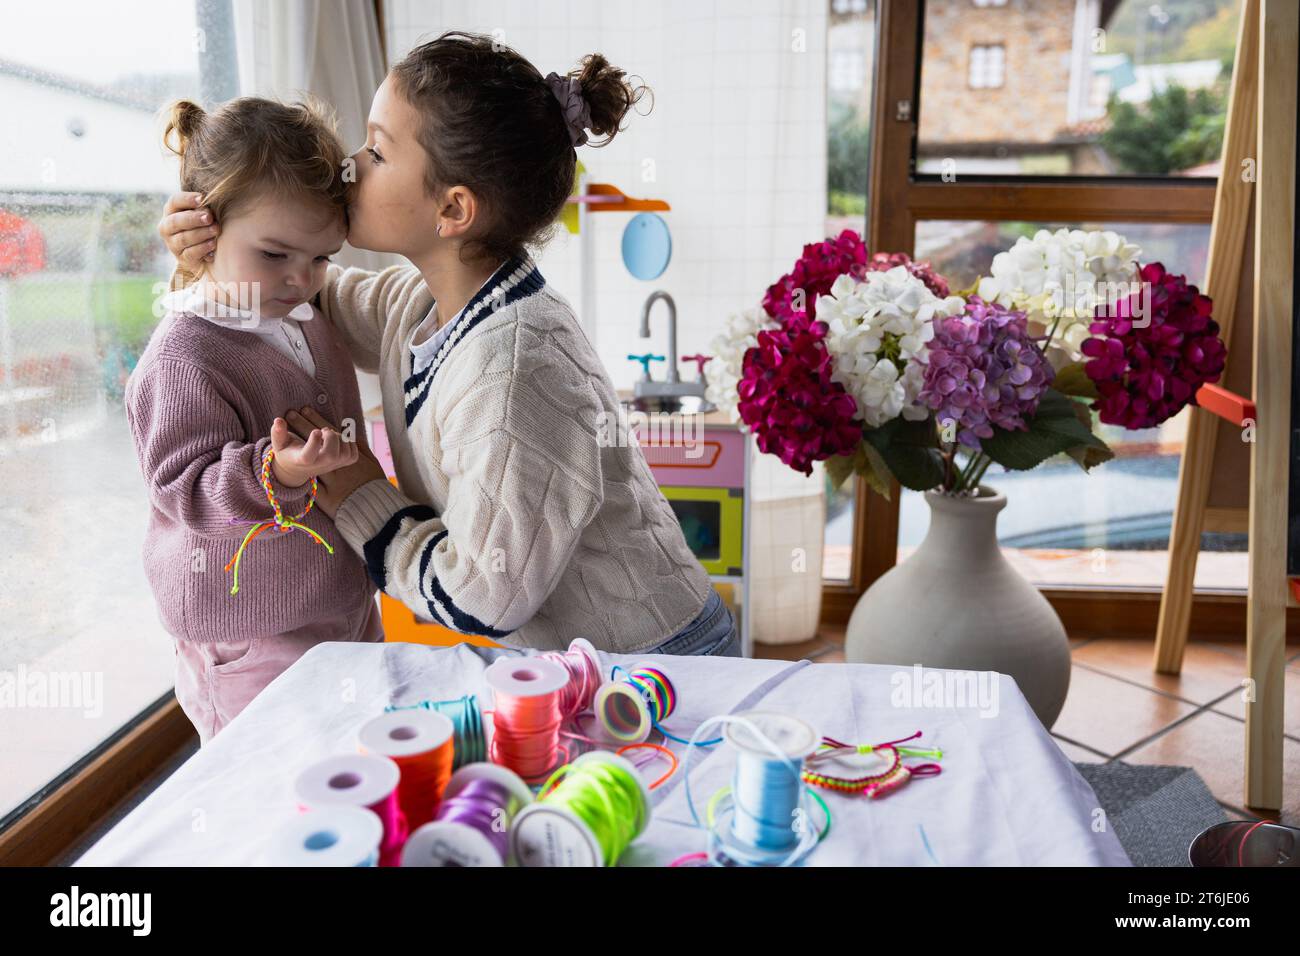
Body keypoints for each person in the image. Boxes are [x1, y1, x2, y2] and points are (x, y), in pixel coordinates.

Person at [159, 31, 740, 659]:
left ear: (453, 209)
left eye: (377, 152)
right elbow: (303, 290)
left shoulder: (514, 368)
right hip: (582, 660)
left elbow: (481, 598)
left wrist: (360, 494)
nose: (348, 164)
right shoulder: (422, 307)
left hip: (654, 661)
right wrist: (219, 244)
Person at [128, 97, 383, 744]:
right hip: (251, 630)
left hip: (339, 600)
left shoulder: (299, 312)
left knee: (354, 760)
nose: (302, 279)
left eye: (321, 258)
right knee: (271, 793)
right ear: (201, 226)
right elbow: (186, 487)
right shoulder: (183, 355)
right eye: (275, 255)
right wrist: (281, 472)